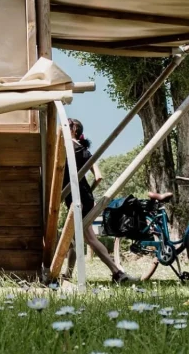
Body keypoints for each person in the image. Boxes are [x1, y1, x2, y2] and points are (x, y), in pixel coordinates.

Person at [61, 118, 132, 284]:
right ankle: (68, 274)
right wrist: (88, 191)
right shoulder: (84, 151)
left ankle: (117, 273)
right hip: (84, 197)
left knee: (89, 238)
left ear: (73, 130)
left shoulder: (66, 148)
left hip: (76, 199)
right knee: (74, 237)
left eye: (66, 125)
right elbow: (99, 177)